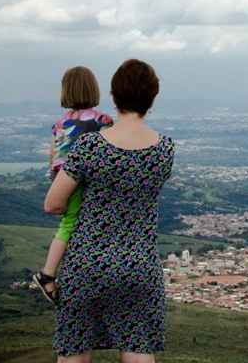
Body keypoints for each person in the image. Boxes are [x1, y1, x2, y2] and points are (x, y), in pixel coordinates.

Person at [44, 59, 174, 363]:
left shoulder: (89, 146)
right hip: (140, 264)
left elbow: (53, 203)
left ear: (113, 96)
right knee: (138, 348)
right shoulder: (166, 149)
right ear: (152, 98)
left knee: (74, 352)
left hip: (86, 263)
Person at [33, 66, 113, 304]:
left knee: (69, 222)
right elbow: (109, 154)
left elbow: (53, 157)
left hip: (62, 179)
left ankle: (52, 272)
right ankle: (47, 274)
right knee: (72, 224)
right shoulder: (102, 120)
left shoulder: (60, 123)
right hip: (84, 180)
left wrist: (56, 181)